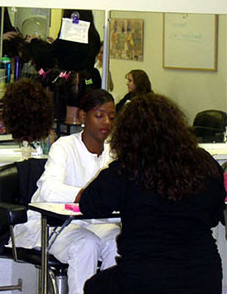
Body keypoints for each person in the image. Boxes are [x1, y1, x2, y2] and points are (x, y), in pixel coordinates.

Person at [80, 93, 226, 294]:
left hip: (145, 276)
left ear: (127, 134)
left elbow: (90, 205)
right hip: (203, 275)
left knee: (94, 287)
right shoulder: (203, 163)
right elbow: (214, 214)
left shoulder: (126, 168)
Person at [12, 89, 120, 294]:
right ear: (82, 117)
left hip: (93, 224)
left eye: (112, 117)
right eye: (99, 115)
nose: (106, 121)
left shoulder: (113, 152)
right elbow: (49, 189)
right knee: (85, 244)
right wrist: (83, 196)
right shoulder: (64, 147)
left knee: (118, 242)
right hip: (52, 225)